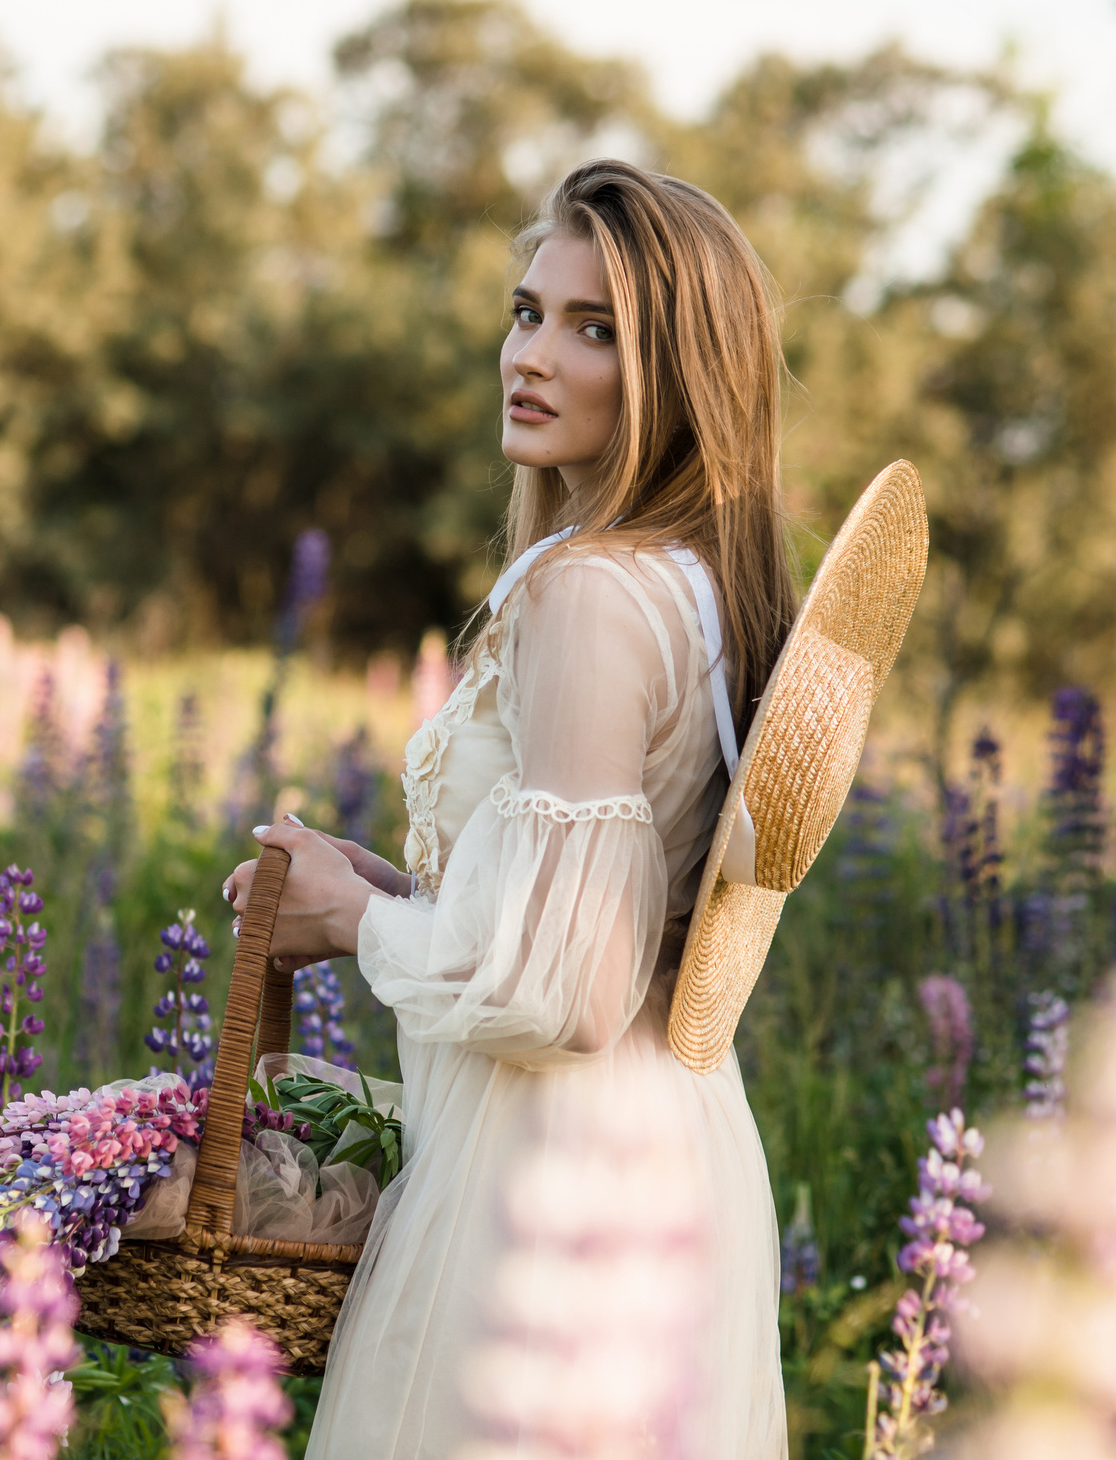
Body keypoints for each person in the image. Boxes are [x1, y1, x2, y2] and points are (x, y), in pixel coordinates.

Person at [224, 159, 796, 1456]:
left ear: (679, 372)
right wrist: (371, 891)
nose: (533, 354)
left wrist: (364, 935)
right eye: (528, 310)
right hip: (663, 1153)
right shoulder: (693, 584)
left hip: (559, 1192)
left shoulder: (592, 595)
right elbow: (599, 917)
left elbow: (574, 992)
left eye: (596, 330)